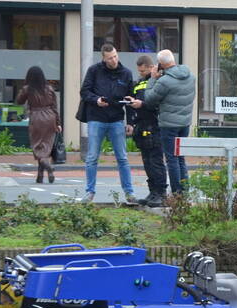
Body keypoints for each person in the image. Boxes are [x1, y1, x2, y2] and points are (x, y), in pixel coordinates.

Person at [129, 49, 194, 196]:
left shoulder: (164, 81)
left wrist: (153, 79)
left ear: (161, 64)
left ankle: (176, 192)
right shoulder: (190, 76)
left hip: (169, 124)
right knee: (180, 158)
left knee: (171, 159)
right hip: (185, 123)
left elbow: (150, 99)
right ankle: (184, 192)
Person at [79, 44, 136, 203]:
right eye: (110, 58)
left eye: (115, 56)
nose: (114, 60)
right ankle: (89, 192)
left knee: (122, 157)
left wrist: (130, 122)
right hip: (96, 118)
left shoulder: (126, 73)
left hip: (117, 119)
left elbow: (130, 99)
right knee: (92, 157)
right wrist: (96, 100)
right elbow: (84, 92)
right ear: (103, 58)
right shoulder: (94, 71)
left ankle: (129, 192)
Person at [126, 55, 168, 207]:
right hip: (142, 125)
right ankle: (153, 192)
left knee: (156, 161)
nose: (141, 73)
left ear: (152, 68)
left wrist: (141, 104)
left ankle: (161, 194)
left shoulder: (158, 81)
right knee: (147, 162)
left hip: (154, 125)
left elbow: (156, 104)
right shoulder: (139, 83)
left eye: (143, 70)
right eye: (139, 71)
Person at [16, 66, 61, 184]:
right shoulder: (49, 89)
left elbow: (19, 101)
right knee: (46, 148)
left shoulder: (28, 89)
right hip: (50, 117)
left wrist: (23, 89)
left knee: (37, 147)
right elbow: (55, 107)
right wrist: (58, 123)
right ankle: (40, 176)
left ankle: (48, 166)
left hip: (36, 118)